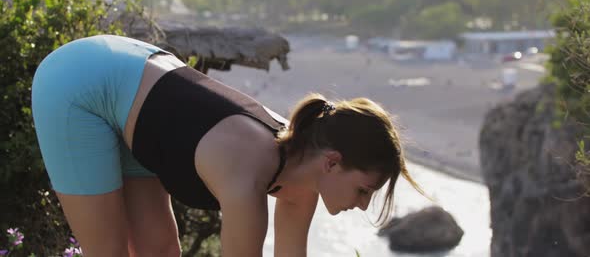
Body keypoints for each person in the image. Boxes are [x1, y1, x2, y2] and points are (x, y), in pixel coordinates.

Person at [31, 34, 425, 257]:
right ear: (333, 163)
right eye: (363, 190)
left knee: (161, 252)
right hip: (80, 85)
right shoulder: (248, 176)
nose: (361, 204)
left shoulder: (304, 165)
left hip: (136, 89)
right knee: (109, 254)